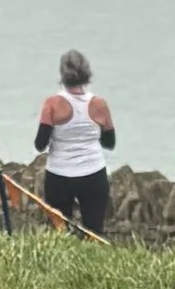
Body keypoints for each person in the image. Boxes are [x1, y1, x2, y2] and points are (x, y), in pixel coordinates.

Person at [36, 49, 116, 234]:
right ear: (87, 74)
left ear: (62, 75)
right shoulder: (99, 104)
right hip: (93, 174)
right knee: (94, 231)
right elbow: (109, 142)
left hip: (59, 175)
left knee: (60, 231)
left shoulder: (52, 104)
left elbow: (40, 144)